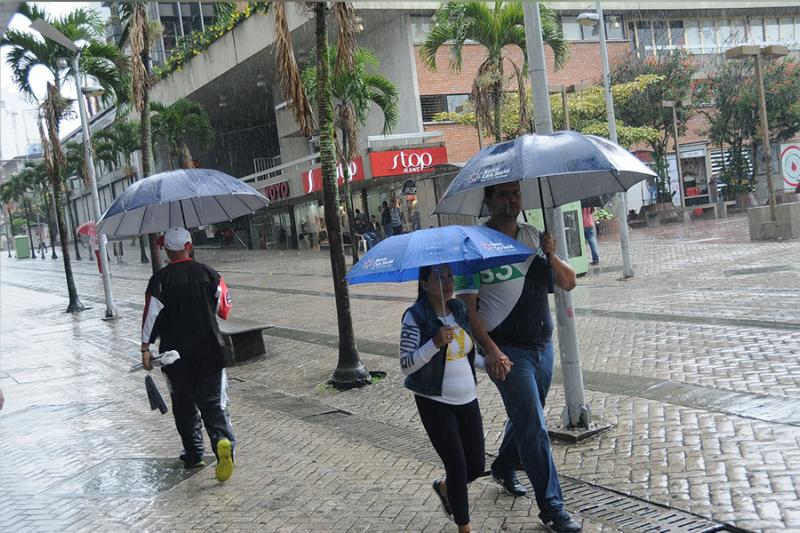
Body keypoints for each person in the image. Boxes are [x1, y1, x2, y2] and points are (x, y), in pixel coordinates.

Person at [455, 182, 581, 533]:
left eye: (515, 193)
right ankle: (552, 509)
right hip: (506, 351)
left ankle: (503, 465)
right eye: (502, 195)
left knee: (528, 418)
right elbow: (468, 311)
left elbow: (569, 283)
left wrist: (550, 254)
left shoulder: (533, 237)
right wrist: (491, 351)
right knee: (535, 427)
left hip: (543, 345)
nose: (511, 200)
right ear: (488, 200)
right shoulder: (473, 247)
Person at [140, 227, 236, 483]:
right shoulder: (209, 273)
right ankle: (222, 443)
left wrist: (145, 347)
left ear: (167, 250)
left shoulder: (160, 280)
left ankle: (194, 453)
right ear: (189, 246)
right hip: (211, 352)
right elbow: (224, 309)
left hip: (174, 357)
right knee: (214, 406)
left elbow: (151, 315)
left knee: (184, 407)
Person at [401, 264, 484, 533]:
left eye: (449, 276)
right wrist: (434, 343)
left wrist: (493, 360)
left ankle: (446, 487)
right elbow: (406, 364)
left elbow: (466, 351)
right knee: (457, 465)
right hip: (435, 400)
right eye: (438, 277)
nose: (447, 282)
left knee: (476, 465)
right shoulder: (416, 316)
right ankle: (464, 527)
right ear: (424, 284)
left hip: (467, 396)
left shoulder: (459, 310)